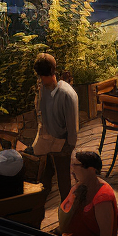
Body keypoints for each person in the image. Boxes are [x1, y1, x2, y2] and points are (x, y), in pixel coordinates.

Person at [32, 53, 79, 201]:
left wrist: (68, 146)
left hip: (63, 142)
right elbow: (41, 113)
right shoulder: (43, 89)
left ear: (50, 73)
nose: (40, 80)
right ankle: (37, 209)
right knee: (42, 176)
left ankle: (68, 210)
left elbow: (72, 127)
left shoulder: (66, 94)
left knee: (63, 180)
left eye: (42, 76)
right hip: (47, 139)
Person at [58, 149, 118, 236]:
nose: (72, 170)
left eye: (76, 165)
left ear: (91, 169)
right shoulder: (79, 187)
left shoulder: (103, 198)